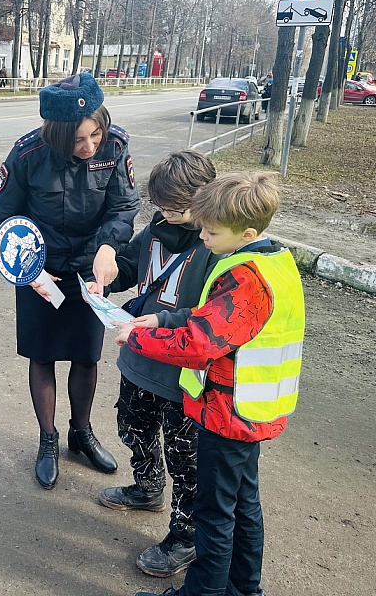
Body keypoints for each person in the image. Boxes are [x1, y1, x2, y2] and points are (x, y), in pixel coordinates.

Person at [115, 171, 305, 596]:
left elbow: (200, 343)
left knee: (213, 515)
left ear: (247, 232)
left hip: (227, 413)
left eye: (211, 231)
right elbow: (209, 323)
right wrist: (160, 319)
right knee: (243, 507)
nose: (202, 236)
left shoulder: (245, 278)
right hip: (252, 410)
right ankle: (243, 589)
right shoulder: (273, 262)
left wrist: (139, 337)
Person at [0, 72, 140, 490]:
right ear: (56, 135)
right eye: (77, 140)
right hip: (40, 269)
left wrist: (108, 247)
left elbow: (124, 205)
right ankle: (48, 439)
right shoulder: (28, 154)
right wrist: (30, 271)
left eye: (95, 134)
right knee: (43, 355)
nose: (89, 146)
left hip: (90, 271)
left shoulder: (115, 145)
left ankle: (81, 433)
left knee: (86, 356)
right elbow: (2, 217)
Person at [98, 150, 217, 579]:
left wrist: (164, 322)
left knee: (185, 458)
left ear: (205, 200)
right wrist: (108, 274)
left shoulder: (216, 246)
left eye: (176, 208)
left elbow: (213, 317)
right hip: (139, 357)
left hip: (181, 373)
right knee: (133, 426)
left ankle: (185, 537)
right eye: (161, 207)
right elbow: (134, 266)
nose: (166, 215)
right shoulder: (157, 228)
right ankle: (147, 488)